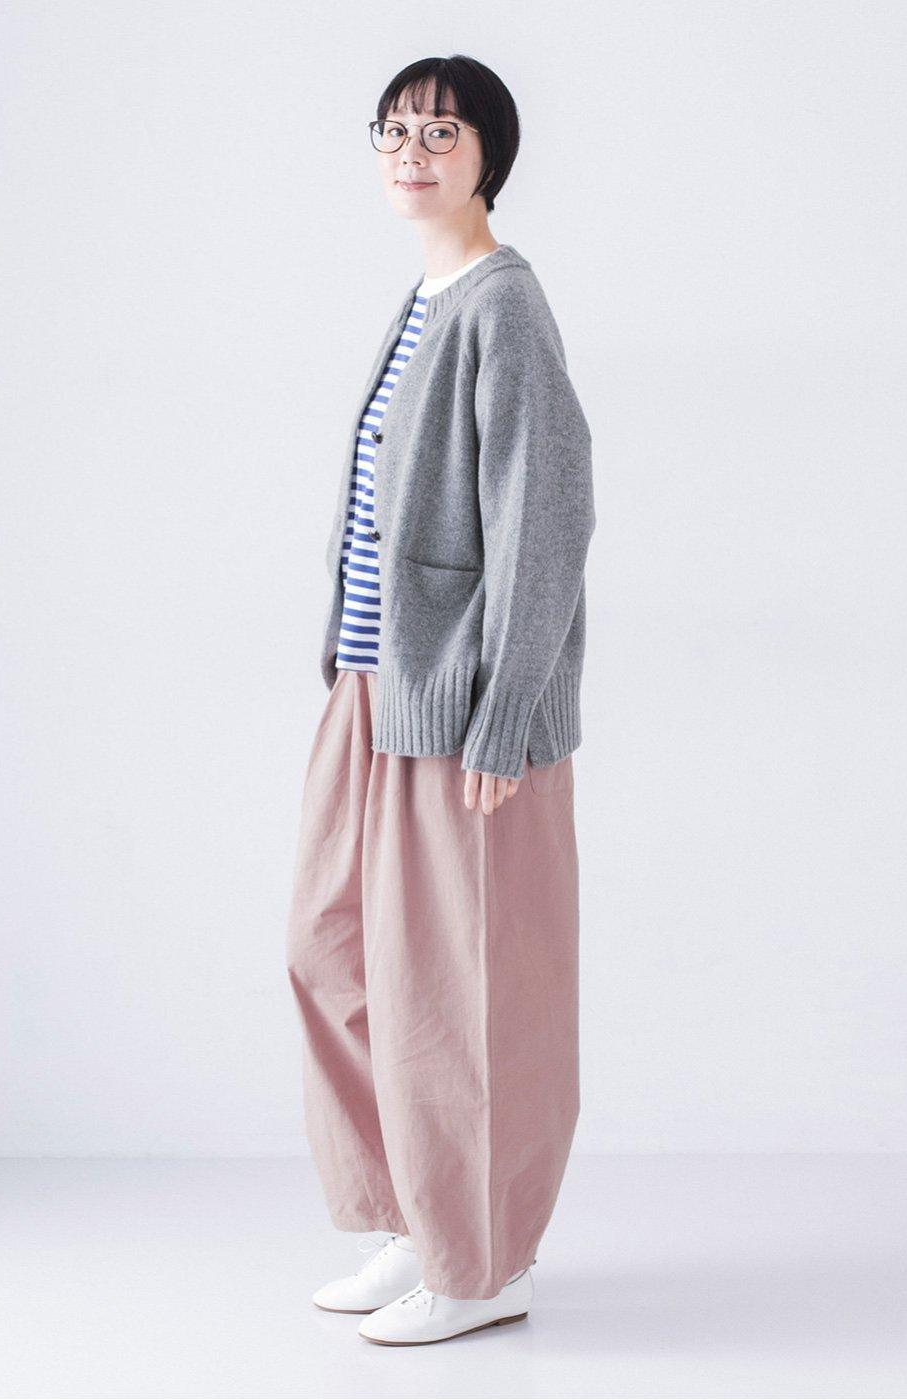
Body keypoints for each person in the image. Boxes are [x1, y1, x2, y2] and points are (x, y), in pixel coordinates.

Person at [284, 53, 596, 1347]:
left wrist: (508, 710)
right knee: (331, 949)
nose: (412, 153)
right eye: (396, 130)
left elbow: (546, 518)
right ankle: (417, 1222)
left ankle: (483, 1265)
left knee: (462, 991)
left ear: (488, 157)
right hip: (370, 690)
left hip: (461, 707)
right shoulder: (425, 298)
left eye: (443, 133)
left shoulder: (502, 306)